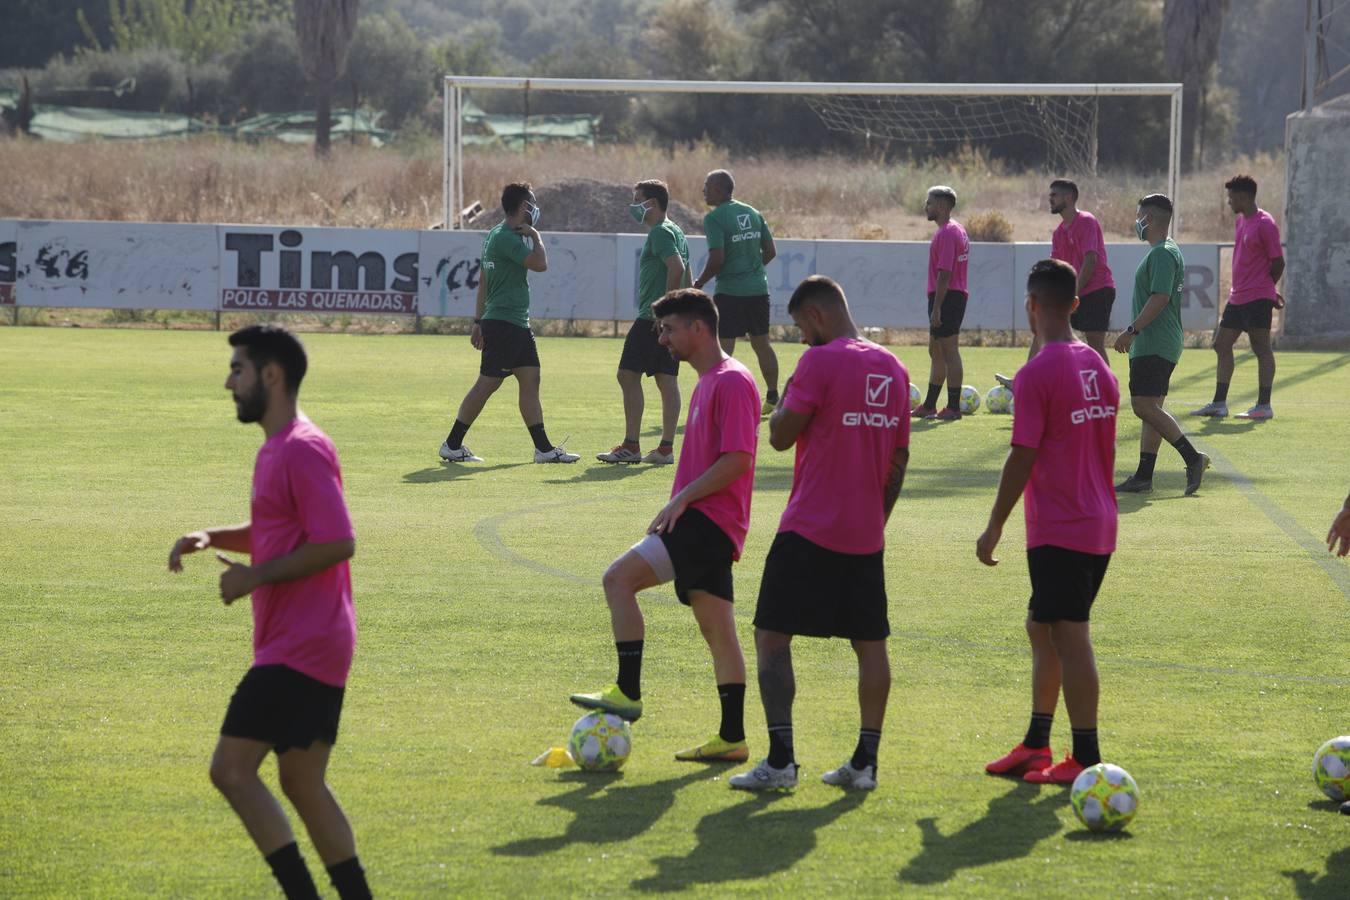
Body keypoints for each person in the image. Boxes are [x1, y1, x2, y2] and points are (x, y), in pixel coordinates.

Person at [168, 325, 372, 900]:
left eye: (238, 369)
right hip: (309, 640)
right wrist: (214, 536)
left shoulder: (302, 448)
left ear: (271, 375)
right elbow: (283, 531)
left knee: (231, 770)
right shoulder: (275, 448)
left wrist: (253, 576)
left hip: (303, 643)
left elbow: (337, 541)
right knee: (302, 782)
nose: (229, 382)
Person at [728, 275, 910, 792]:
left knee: (770, 638)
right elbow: (899, 458)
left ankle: (782, 762)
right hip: (865, 534)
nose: (802, 339)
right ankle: (865, 764)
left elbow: (781, 436)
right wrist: (878, 520)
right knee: (870, 646)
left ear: (815, 316)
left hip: (809, 528)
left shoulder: (819, 361)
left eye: (801, 329)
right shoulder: (895, 368)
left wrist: (782, 404)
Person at [571, 288, 760, 763]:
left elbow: (739, 459)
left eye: (668, 328)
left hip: (706, 521)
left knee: (618, 578)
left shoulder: (732, 381)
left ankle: (628, 691)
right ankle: (733, 738)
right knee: (719, 633)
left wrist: (683, 497)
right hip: (710, 524)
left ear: (699, 328)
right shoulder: (709, 381)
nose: (661, 339)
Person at [978, 259, 1118, 785]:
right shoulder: (1098, 366)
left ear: (1030, 306)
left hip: (1063, 525)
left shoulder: (1036, 372)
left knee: (1069, 634)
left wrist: (994, 525)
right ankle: (1037, 744)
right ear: (1076, 305)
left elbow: (1022, 455)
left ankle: (1085, 755)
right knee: (1042, 626)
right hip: (1098, 520)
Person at [439, 181, 579, 464]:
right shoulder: (506, 237)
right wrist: (537, 236)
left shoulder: (495, 235)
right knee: (487, 384)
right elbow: (540, 264)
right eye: (533, 203)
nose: (536, 208)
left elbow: (483, 282)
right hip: (504, 323)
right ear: (523, 206)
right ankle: (452, 444)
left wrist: (478, 321)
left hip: (513, 322)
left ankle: (543, 449)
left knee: (530, 379)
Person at [1112, 194, 1210, 496]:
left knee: (1144, 406)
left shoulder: (1162, 254)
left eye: (1139, 215)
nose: (1136, 222)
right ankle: (1144, 476)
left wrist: (1131, 330)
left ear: (1149, 219)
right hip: (1158, 342)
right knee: (1150, 410)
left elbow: (1160, 297)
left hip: (1155, 341)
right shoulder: (1166, 251)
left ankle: (1193, 458)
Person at [597, 180, 688, 465]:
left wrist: (664, 312)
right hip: (672, 318)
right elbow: (689, 275)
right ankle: (665, 448)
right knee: (666, 380)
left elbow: (677, 268)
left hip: (653, 318)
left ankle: (631, 445)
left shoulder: (661, 232)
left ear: (652, 203)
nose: (633, 206)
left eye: (637, 200)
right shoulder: (676, 230)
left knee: (627, 374)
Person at [995, 179, 1115, 388]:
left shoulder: (1086, 221)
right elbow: (1057, 267)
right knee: (1044, 330)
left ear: (1068, 198)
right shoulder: (1059, 232)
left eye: (1054, 196)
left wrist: (1073, 293)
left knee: (1094, 342)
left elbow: (1091, 260)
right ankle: (1023, 382)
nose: (1049, 200)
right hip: (1072, 292)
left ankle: (1105, 390)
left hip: (1097, 288)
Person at [1191, 174, 1285, 421]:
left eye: (1231, 197)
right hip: (1238, 297)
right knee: (1221, 344)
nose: (1229, 202)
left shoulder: (1266, 224)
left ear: (1244, 197)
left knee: (1260, 347)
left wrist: (1266, 289)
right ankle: (1219, 403)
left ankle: (1264, 405)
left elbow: (1278, 262)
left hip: (1256, 297)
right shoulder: (1241, 221)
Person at [692, 169, 780, 414]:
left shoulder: (715, 218)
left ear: (719, 189)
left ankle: (714, 398)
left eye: (707, 186)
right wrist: (750, 269)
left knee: (722, 347)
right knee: (762, 344)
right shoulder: (752, 212)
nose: (703, 190)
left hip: (730, 292)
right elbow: (771, 251)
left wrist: (698, 283)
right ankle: (773, 397)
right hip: (758, 290)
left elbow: (717, 258)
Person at [914, 186, 971, 421]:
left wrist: (937, 306)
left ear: (941, 205)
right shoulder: (953, 230)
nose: (925, 207)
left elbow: (945, 273)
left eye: (929, 203)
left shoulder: (948, 233)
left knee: (949, 350)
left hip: (948, 296)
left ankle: (954, 407)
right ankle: (929, 405)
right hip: (946, 296)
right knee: (935, 350)